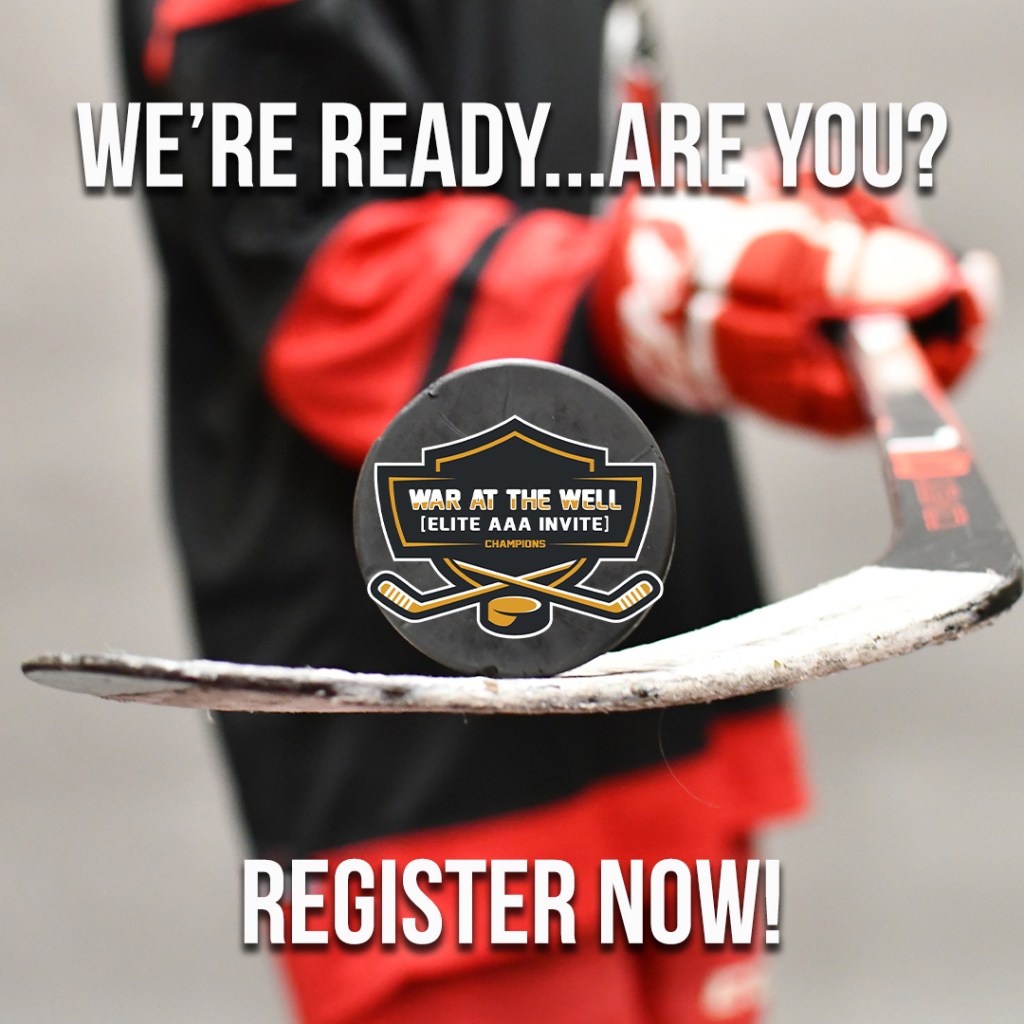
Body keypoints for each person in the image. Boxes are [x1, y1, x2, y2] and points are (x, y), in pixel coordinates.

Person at [116, 1, 992, 1021]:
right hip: (436, 765)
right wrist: (655, 295)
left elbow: (572, 152)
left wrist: (759, 246)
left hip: (656, 679)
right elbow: (324, 257)